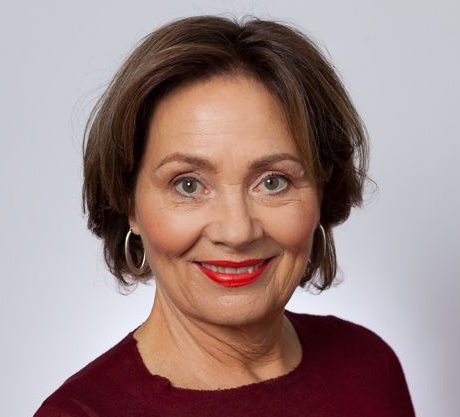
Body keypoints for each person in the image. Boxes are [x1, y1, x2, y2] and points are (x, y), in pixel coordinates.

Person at [34, 15, 416, 416]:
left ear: (322, 191)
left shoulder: (369, 366)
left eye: (273, 182)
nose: (237, 232)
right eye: (188, 184)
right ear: (129, 203)